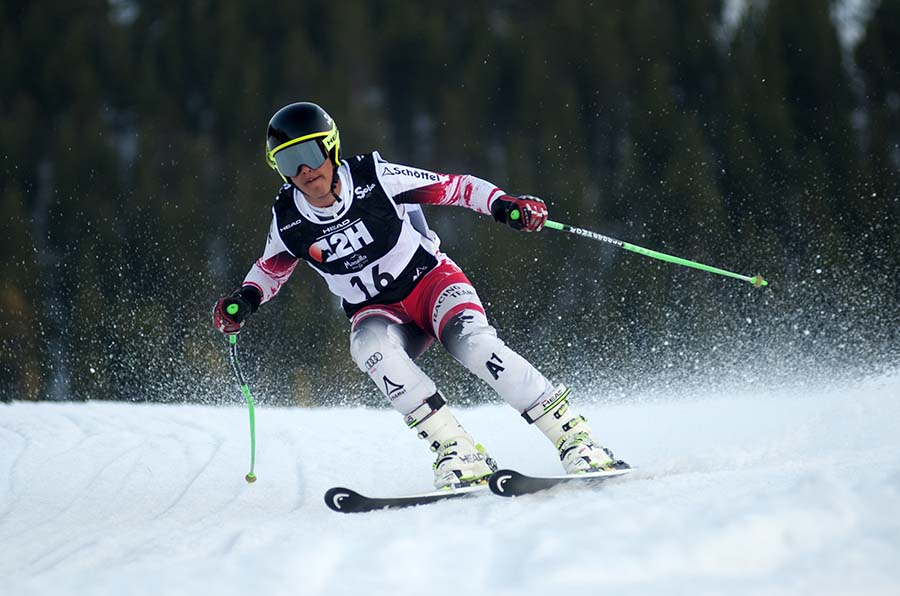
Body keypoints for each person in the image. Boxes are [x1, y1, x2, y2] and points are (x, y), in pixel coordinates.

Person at [213, 102, 628, 489]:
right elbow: (271, 268)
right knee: (370, 349)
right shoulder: (288, 217)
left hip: (430, 284)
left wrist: (505, 205)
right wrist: (244, 300)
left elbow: (456, 187)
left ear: (331, 147)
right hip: (374, 310)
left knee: (476, 347)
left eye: (310, 153)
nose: (304, 169)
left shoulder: (375, 178)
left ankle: (576, 438)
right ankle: (457, 450)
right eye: (288, 161)